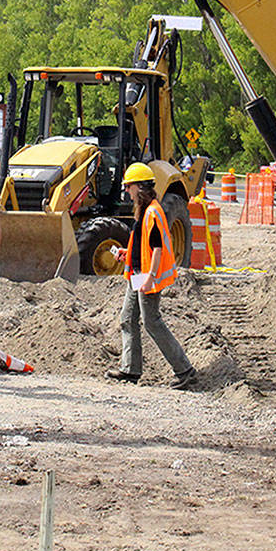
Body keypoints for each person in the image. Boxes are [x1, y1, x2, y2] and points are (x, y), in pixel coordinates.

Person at [106, 162, 197, 390]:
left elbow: (157, 248)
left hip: (146, 276)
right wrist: (127, 253)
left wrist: (150, 277)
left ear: (139, 187)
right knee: (127, 318)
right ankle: (130, 370)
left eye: (129, 186)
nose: (127, 191)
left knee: (152, 322)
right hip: (136, 274)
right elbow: (143, 244)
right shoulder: (144, 211)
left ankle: (184, 370)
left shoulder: (153, 211)